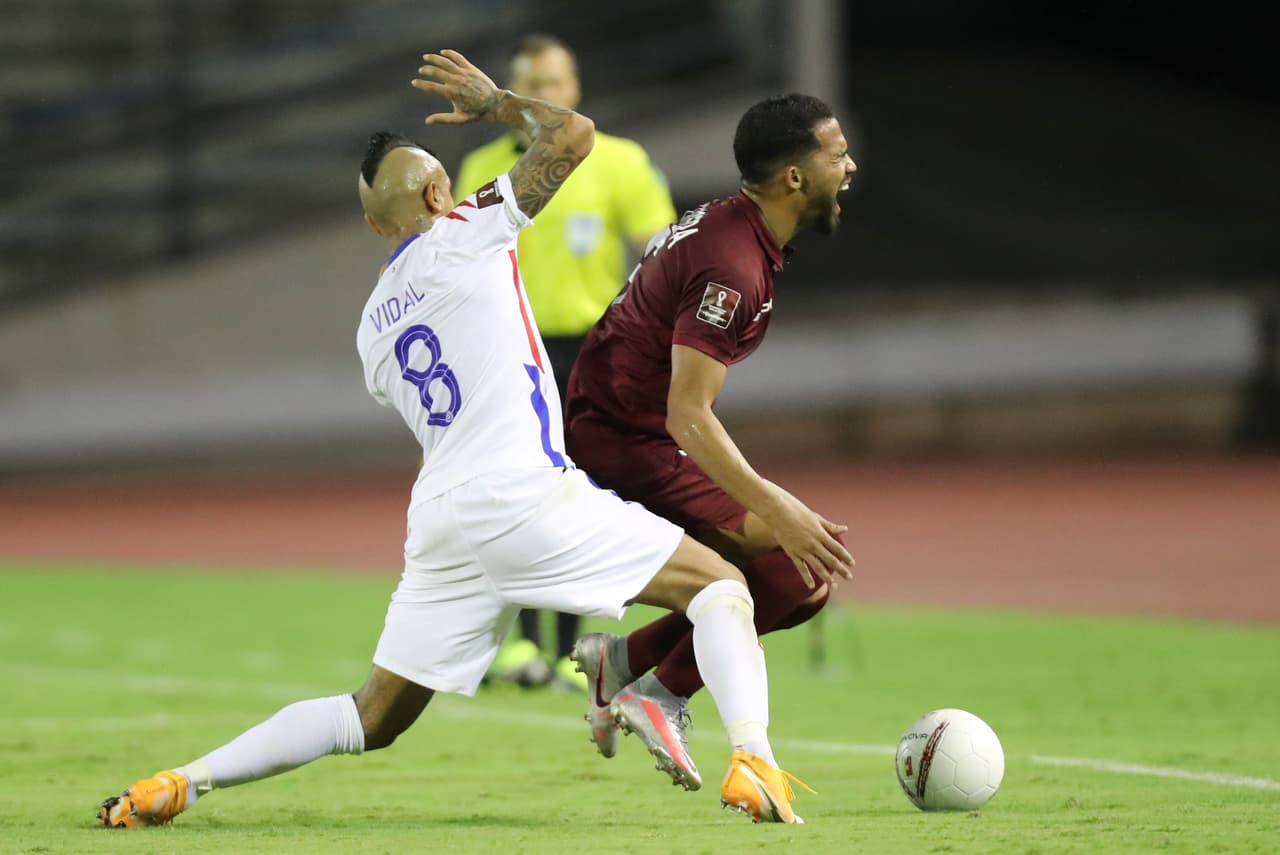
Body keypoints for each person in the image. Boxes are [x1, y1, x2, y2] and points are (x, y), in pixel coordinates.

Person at [95, 49, 810, 828]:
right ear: (441, 193)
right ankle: (756, 760)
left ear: (374, 225)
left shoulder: (371, 328)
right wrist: (498, 103)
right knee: (720, 586)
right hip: (522, 493)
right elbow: (573, 135)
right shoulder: (467, 230)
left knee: (373, 715)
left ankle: (181, 780)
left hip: (443, 518)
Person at [564, 94, 858, 790]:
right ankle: (655, 690)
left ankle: (625, 660)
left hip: (619, 420)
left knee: (800, 579)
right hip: (623, 438)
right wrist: (777, 505)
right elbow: (687, 415)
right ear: (794, 176)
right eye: (837, 153)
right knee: (798, 566)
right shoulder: (735, 265)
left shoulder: (737, 230)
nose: (850, 166)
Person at [455, 33, 677, 692]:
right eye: (532, 84)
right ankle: (519, 643)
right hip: (511, 347)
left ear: (574, 91)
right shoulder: (481, 168)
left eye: (555, 84)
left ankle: (579, 645)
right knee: (515, 488)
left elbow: (662, 250)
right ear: (511, 95)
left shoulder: (619, 162)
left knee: (590, 490)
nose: (545, 96)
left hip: (593, 348)